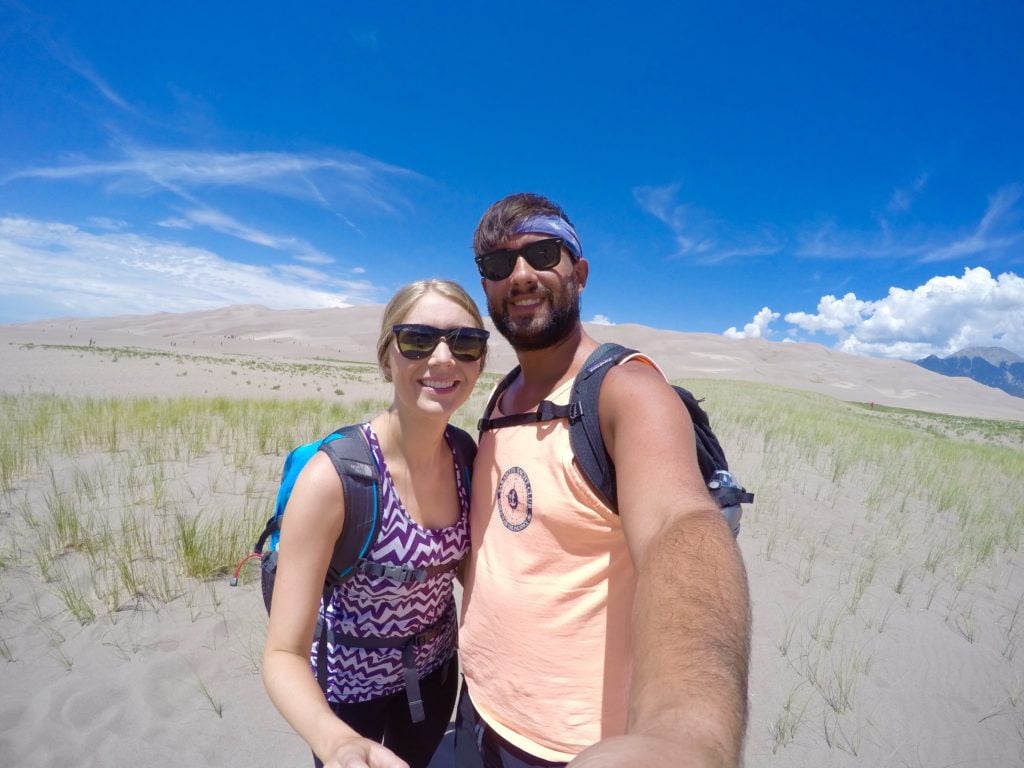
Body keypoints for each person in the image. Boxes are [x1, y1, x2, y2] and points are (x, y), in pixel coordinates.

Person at [455, 194, 751, 767]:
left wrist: (686, 732)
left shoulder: (624, 391)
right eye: (497, 265)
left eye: (542, 254)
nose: (519, 276)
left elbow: (679, 524)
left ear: (580, 273)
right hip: (477, 712)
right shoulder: (500, 395)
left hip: (573, 748)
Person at [263, 279, 490, 768]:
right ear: (388, 356)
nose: (445, 358)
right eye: (418, 340)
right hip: (347, 693)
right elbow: (283, 653)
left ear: (481, 363)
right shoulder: (337, 478)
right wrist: (335, 742)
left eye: (466, 342)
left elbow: (475, 580)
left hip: (433, 679)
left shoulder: (467, 458)